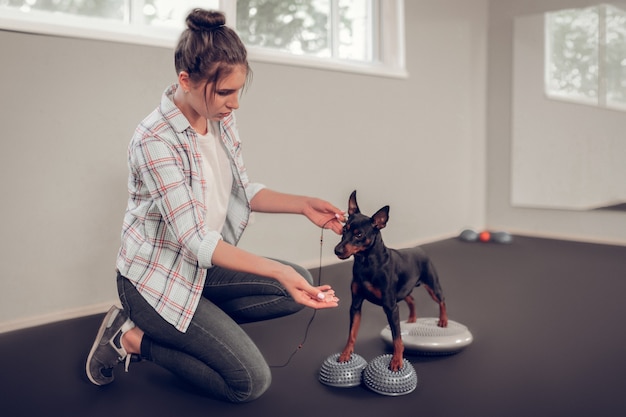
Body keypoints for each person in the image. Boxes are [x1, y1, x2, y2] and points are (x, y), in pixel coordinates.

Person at [86, 8, 344, 403]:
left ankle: (197, 328)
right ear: (185, 80)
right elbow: (195, 241)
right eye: (225, 92)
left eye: (239, 91)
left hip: (199, 273)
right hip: (153, 283)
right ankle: (134, 338)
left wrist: (303, 205)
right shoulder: (154, 140)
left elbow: (239, 189)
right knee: (249, 383)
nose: (235, 104)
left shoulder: (218, 117)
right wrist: (274, 268)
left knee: (293, 282)